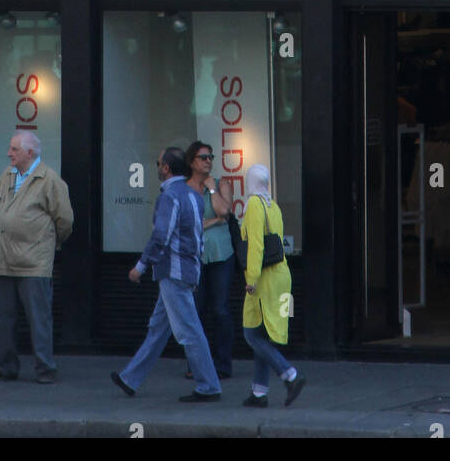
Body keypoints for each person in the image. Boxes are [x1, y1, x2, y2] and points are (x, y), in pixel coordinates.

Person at [111, 146, 222, 402]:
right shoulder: (193, 195)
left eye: (158, 163)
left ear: (166, 168)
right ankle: (130, 379)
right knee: (158, 329)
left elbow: (161, 236)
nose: (157, 167)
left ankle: (208, 386)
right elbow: (197, 235)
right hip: (185, 269)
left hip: (173, 271)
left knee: (189, 330)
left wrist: (140, 266)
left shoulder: (170, 196)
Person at [0, 131, 73, 384]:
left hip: (34, 261)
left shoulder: (49, 180)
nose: (9, 153)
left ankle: (45, 368)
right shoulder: (7, 175)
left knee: (38, 318)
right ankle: (5, 367)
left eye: (14, 149)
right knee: (2, 317)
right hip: (3, 258)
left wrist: (46, 243)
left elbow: (65, 220)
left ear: (29, 153)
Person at [240, 163, 305, 408]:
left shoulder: (255, 206)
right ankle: (259, 393)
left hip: (264, 277)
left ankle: (291, 375)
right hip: (281, 274)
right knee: (261, 334)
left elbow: (256, 246)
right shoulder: (273, 205)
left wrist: (251, 280)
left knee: (251, 333)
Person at [185, 139, 235, 380]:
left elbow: (224, 210)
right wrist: (214, 221)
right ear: (191, 162)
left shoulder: (221, 184)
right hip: (194, 256)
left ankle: (223, 364)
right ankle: (197, 363)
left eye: (210, 157)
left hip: (221, 255)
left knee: (221, 309)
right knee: (195, 310)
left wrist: (212, 189)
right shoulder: (185, 189)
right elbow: (190, 225)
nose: (208, 161)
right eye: (203, 157)